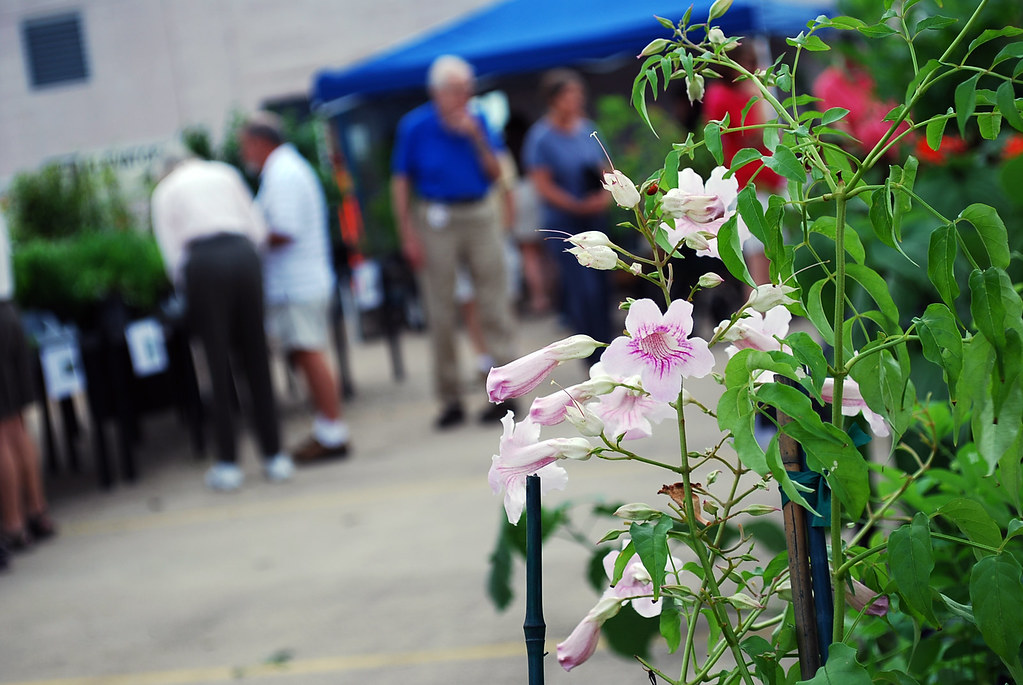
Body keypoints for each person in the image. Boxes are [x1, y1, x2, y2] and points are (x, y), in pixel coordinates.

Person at [390, 55, 518, 429]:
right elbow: (401, 181)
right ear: (439, 92)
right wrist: (407, 233)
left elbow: (497, 174)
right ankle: (449, 397)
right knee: (440, 308)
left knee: (494, 303)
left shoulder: (477, 121)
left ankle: (505, 392)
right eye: (460, 89)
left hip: (478, 212)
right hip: (435, 218)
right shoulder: (415, 126)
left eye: (468, 88)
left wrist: (476, 137)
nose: (467, 94)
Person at [152, 157, 293, 491]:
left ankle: (228, 463)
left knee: (215, 366)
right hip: (243, 254)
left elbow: (172, 252)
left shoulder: (165, 190)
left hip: (203, 262)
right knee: (257, 357)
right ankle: (275, 456)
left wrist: (187, 286)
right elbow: (256, 228)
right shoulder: (224, 173)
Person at [239, 113, 351, 461]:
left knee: (309, 352)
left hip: (298, 283)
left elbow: (284, 229)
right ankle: (327, 428)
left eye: (246, 146)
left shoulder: (282, 172)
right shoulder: (286, 169)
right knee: (307, 353)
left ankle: (333, 432)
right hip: (299, 281)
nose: (246, 154)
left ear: (261, 142)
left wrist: (249, 235)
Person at [522, 69, 612, 349]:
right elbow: (542, 183)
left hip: (595, 216)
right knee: (581, 288)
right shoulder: (541, 138)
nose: (576, 101)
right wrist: (574, 204)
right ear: (554, 99)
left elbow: (606, 168)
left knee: (602, 285)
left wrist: (605, 196)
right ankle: (589, 350)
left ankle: (607, 343)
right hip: (566, 222)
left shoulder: (587, 129)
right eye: (570, 95)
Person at [702, 42, 786, 290]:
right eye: (749, 63)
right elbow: (754, 133)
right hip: (750, 183)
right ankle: (756, 315)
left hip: (765, 180)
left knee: (771, 253)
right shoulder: (723, 95)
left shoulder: (737, 92)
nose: (754, 69)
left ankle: (768, 313)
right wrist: (760, 95)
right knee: (759, 255)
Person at [0, 209, 56, 569]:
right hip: (8, 313)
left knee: (3, 430)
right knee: (16, 424)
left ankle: (14, 523)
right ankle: (37, 512)